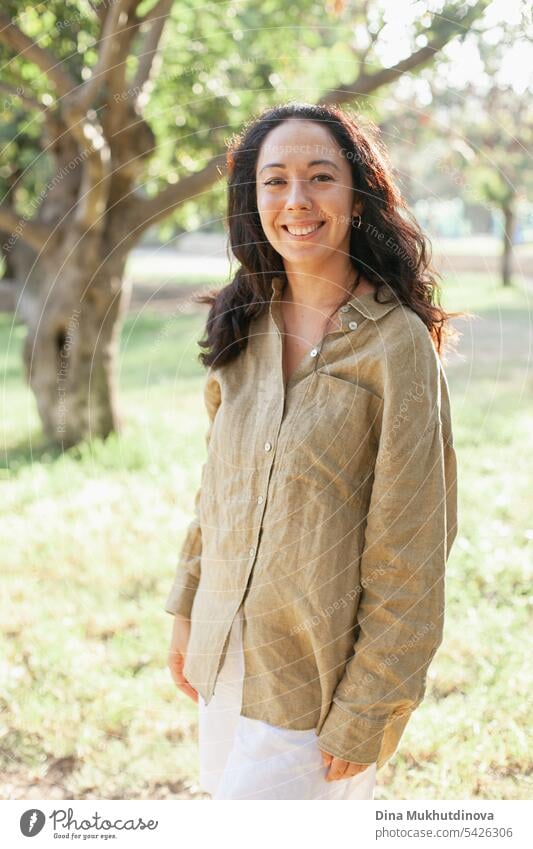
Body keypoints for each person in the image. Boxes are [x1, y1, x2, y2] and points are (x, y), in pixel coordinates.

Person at [165, 101, 459, 800]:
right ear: (252, 198)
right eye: (274, 181)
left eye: (320, 177)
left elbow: (412, 546)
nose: (296, 200)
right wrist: (184, 608)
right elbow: (218, 490)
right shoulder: (241, 324)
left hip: (315, 685)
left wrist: (372, 703)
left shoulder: (394, 345)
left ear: (358, 197)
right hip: (224, 656)